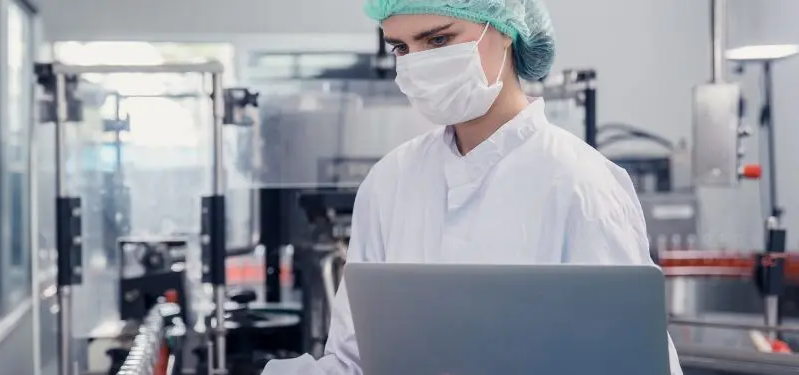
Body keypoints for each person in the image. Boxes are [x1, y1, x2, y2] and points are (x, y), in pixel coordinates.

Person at [262, 0, 684, 374]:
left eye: (439, 40)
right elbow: (355, 362)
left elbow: (630, 361)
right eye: (401, 48)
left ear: (504, 29)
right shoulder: (389, 182)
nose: (417, 63)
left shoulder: (582, 184)